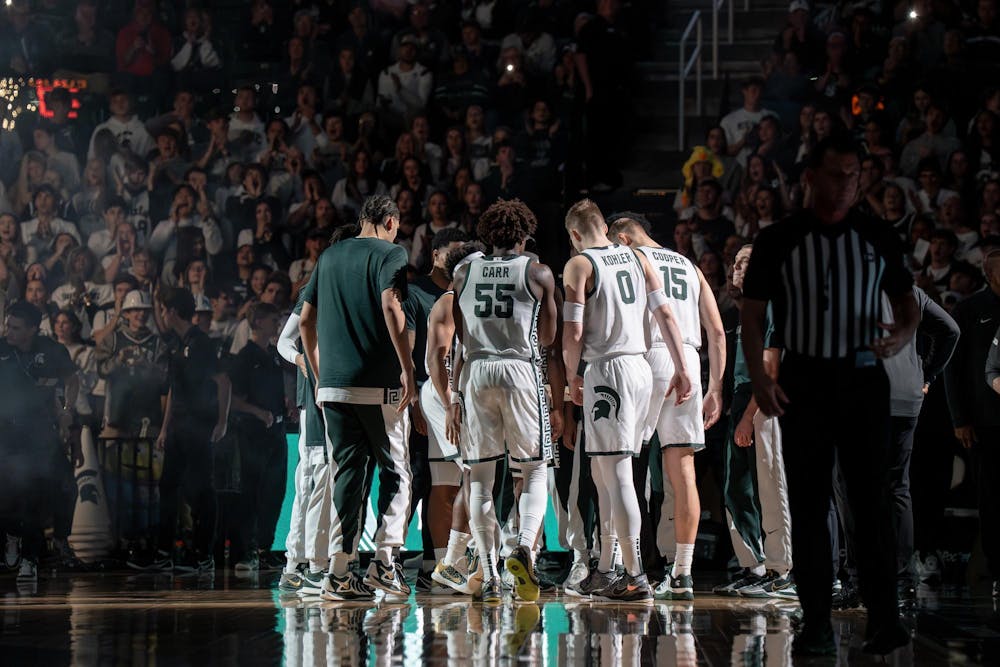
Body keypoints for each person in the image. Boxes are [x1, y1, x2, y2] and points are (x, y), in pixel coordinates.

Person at [740, 136, 918, 656]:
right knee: (811, 504)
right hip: (805, 379)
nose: (846, 184)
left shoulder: (877, 234)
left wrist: (902, 336)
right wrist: (760, 376)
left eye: (854, 174)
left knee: (871, 503)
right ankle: (815, 618)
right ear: (811, 177)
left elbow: (908, 305)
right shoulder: (779, 239)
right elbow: (752, 317)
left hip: (864, 378)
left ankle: (885, 619)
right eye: (836, 174)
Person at [561, 199, 693, 603]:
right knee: (606, 475)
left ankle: (633, 575)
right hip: (642, 368)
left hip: (608, 371)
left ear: (574, 234)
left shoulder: (580, 265)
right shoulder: (638, 257)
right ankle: (606, 568)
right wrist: (683, 365)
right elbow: (667, 316)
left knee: (616, 476)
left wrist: (570, 375)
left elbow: (574, 331)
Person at [299, 195, 415, 602]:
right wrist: (408, 367)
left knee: (347, 475)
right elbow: (391, 304)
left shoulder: (329, 256)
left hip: (332, 386)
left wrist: (317, 372)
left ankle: (339, 571)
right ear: (388, 221)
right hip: (377, 383)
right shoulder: (392, 253)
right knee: (398, 472)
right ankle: (385, 563)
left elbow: (305, 320)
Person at [608, 214, 726, 601]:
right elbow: (717, 331)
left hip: (646, 356)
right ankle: (682, 573)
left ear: (623, 237)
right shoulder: (690, 265)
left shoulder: (628, 259)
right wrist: (716, 387)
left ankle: (627, 569)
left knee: (624, 466)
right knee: (683, 472)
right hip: (689, 360)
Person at [448, 199, 557, 604]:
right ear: (526, 235)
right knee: (533, 469)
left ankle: (489, 573)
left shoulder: (462, 271)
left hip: (476, 371)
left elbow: (461, 336)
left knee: (480, 477)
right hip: (519, 369)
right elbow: (547, 338)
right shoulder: (537, 271)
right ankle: (524, 545)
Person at [713, 244, 796, 599]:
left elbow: (771, 370)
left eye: (748, 262)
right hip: (742, 401)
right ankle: (755, 565)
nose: (738, 268)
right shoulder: (741, 309)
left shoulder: (773, 303)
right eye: (736, 263)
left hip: (763, 403)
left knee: (770, 487)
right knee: (736, 487)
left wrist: (749, 415)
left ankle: (784, 569)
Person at [133, 287, 231, 573]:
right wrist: (164, 428)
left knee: (200, 490)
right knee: (168, 488)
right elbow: (174, 389)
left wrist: (221, 422)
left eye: (164, 309)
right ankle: (164, 552)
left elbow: (223, 381)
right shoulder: (177, 344)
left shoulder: (200, 343)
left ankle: (203, 555)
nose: (162, 314)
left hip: (199, 427)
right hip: (178, 427)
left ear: (173, 311)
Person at [0, 301, 81, 584]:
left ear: (33, 330)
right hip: (5, 434)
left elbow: (72, 380)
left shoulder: (51, 350)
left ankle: (31, 558)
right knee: (7, 496)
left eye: (15, 328)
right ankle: (11, 535)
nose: (8, 331)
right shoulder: (2, 349)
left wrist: (68, 410)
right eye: (7, 325)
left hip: (39, 433)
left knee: (37, 492)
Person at [423, 241, 486, 595]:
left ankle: (463, 560)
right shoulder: (449, 300)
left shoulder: (473, 296)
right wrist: (450, 404)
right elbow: (437, 358)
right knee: (470, 474)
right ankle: (454, 561)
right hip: (444, 392)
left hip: (464, 392)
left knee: (475, 475)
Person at [949, 250, 1000, 601]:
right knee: (992, 494)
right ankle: (992, 567)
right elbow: (953, 370)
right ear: (989, 272)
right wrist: (960, 418)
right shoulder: (969, 310)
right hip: (984, 420)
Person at [228, 303, 287, 573]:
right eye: (273, 319)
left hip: (276, 434)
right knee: (251, 494)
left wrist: (284, 405)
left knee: (274, 494)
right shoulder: (243, 357)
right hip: (252, 436)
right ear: (259, 321)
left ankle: (265, 549)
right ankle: (247, 550)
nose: (277, 324)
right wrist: (259, 413)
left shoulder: (274, 355)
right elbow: (233, 400)